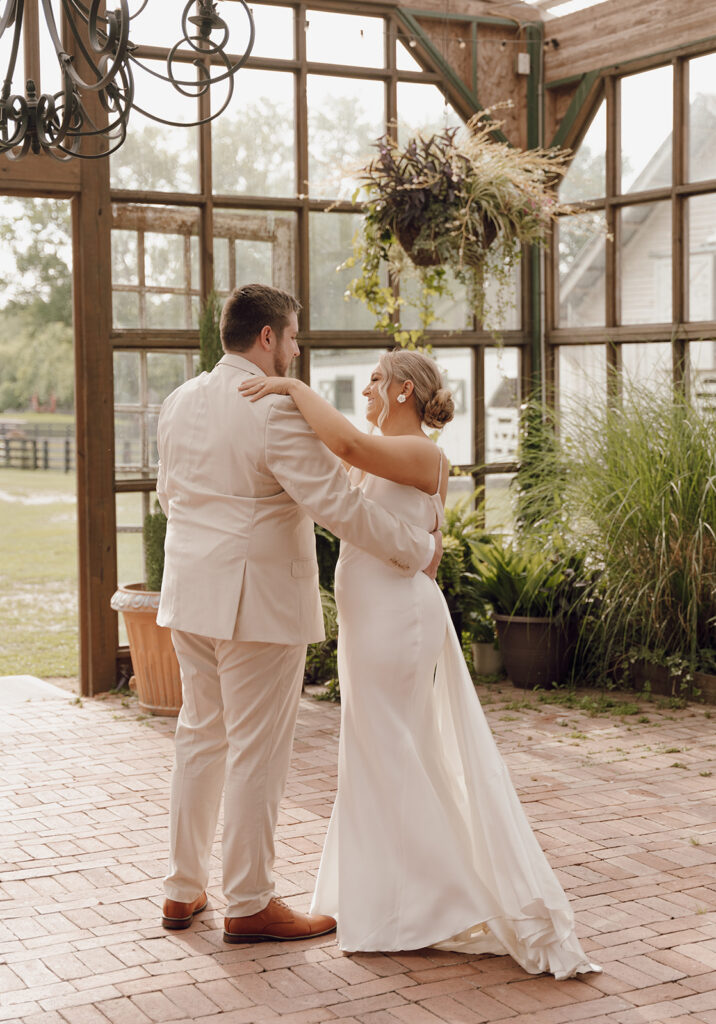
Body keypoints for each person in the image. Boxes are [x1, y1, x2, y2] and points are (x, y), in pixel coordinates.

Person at [239, 348, 601, 979]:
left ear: (405, 391)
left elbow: (346, 449)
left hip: (395, 623)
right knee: (377, 751)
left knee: (389, 751)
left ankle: (436, 901)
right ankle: (386, 897)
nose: (367, 390)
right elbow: (360, 495)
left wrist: (292, 384)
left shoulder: (421, 453)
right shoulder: (388, 454)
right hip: (371, 621)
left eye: (376, 380)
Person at [156, 284, 442, 944]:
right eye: (292, 336)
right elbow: (335, 504)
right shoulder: (269, 408)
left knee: (200, 735)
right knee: (256, 748)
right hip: (254, 602)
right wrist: (416, 547)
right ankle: (251, 901)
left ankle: (182, 889)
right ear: (266, 339)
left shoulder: (179, 400)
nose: (296, 348)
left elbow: (171, 497)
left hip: (189, 595)